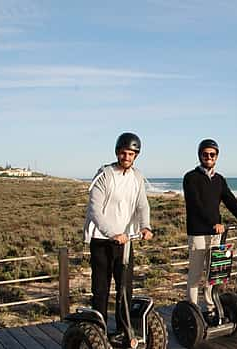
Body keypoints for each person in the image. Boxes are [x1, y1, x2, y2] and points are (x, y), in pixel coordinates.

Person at [83, 132, 153, 344]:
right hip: (102, 241)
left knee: (125, 289)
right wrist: (112, 233)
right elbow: (95, 210)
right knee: (101, 289)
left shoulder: (137, 177)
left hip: (125, 242)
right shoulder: (104, 175)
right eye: (123, 153)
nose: (127, 157)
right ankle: (99, 334)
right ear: (117, 152)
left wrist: (145, 225)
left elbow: (142, 204)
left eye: (131, 154)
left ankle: (124, 332)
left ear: (136, 156)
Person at [183, 139, 237, 317]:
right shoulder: (190, 177)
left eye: (212, 154)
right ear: (200, 155)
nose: (209, 157)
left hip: (216, 234)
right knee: (196, 274)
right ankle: (192, 309)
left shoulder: (219, 179)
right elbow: (195, 205)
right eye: (205, 154)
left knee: (214, 273)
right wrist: (212, 224)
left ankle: (211, 308)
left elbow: (229, 199)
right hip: (198, 233)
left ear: (217, 157)